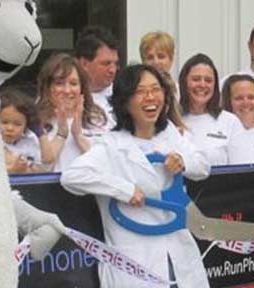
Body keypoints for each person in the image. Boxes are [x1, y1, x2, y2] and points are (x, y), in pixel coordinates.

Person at [60, 64, 210, 288]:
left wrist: (181, 160)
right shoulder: (110, 145)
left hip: (179, 258)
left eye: (156, 89)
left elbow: (203, 166)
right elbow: (72, 176)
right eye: (140, 92)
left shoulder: (170, 133)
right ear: (124, 101)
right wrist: (124, 190)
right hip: (135, 265)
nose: (151, 97)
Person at [35, 53, 107, 172]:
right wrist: (61, 135)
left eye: (73, 83)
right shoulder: (34, 121)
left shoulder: (98, 119)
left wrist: (78, 136)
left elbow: (108, 166)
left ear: (81, 88)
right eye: (59, 83)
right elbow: (37, 169)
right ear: (47, 87)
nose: (67, 90)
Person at [179, 53, 243, 166]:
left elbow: (239, 169)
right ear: (184, 82)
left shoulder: (230, 121)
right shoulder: (173, 119)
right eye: (196, 79)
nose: (202, 85)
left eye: (208, 80)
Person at [75, 25, 119, 128]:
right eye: (106, 63)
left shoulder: (126, 95)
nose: (113, 70)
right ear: (84, 63)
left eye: (115, 63)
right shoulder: (65, 95)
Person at [0, 88, 48, 174]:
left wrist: (41, 135)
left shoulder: (31, 139)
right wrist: (12, 170)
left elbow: (44, 167)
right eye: (4, 122)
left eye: (17, 124)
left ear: (26, 125)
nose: (10, 128)